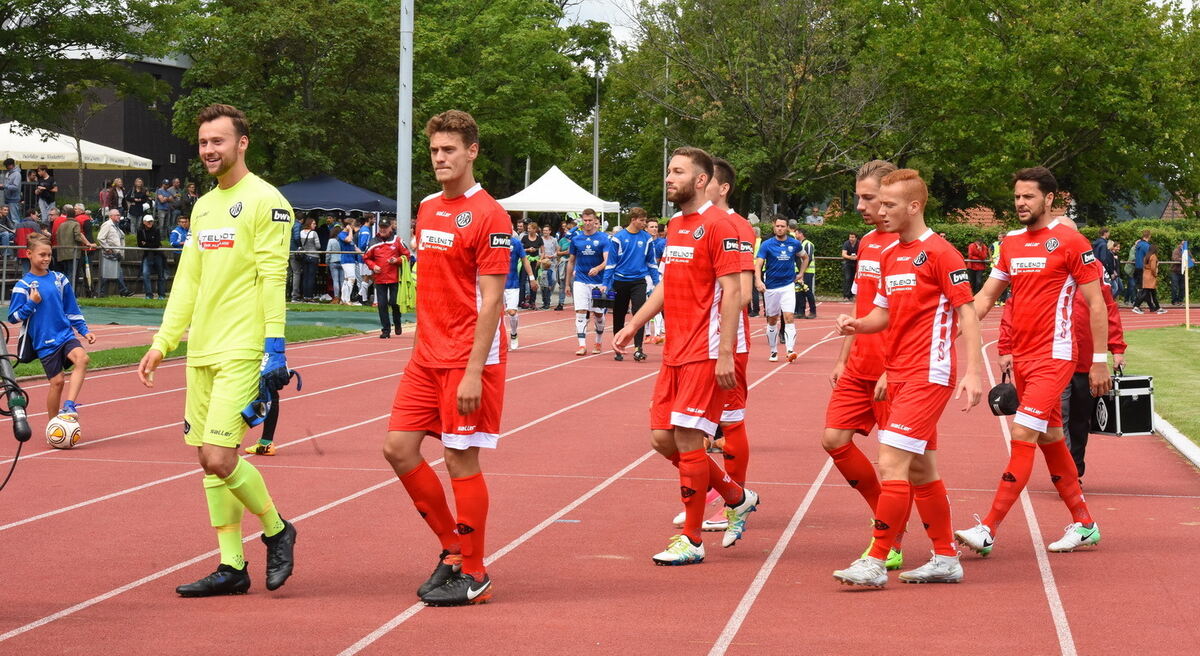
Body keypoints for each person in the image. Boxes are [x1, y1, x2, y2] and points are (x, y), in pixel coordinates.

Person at [137, 103, 298, 597]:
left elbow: (274, 277)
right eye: (204, 142)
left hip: (244, 348)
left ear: (241, 142)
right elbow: (187, 281)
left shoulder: (267, 201)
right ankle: (231, 565)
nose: (209, 150)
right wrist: (164, 341)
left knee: (219, 456)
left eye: (218, 141)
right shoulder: (204, 207)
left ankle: (277, 530)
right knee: (205, 460)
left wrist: (275, 343)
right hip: (202, 350)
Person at [380, 109, 510, 606]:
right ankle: (452, 549)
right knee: (398, 449)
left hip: (467, 358)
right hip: (426, 356)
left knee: (459, 458)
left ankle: (474, 572)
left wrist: (474, 371)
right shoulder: (429, 207)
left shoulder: (490, 214)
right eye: (434, 150)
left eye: (448, 149)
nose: (439, 158)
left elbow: (492, 300)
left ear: (471, 151)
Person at [831, 168, 982, 587]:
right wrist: (856, 325)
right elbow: (882, 313)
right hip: (897, 372)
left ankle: (877, 560)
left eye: (889, 204)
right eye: (879, 203)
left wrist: (972, 370)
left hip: (928, 374)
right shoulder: (889, 254)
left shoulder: (940, 253)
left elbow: (966, 310)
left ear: (914, 206)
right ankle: (947, 557)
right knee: (921, 471)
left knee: (891, 462)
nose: (880, 211)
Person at [611, 146, 759, 565]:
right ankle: (736, 495)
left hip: (705, 350)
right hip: (674, 348)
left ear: (700, 180)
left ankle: (691, 541)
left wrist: (726, 352)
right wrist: (634, 323)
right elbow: (665, 284)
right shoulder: (676, 225)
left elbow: (735, 292)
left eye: (676, 172)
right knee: (662, 439)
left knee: (691, 442)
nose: (668, 178)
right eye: (668, 171)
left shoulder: (722, 226)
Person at [955, 167, 1110, 556]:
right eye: (1017, 197)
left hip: (1055, 356)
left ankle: (987, 529)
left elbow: (1097, 304)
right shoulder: (1009, 243)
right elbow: (987, 297)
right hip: (1022, 358)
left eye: (1028, 196)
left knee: (1023, 436)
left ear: (1049, 199)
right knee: (1051, 439)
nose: (1021, 203)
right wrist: (953, 324)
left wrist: (1100, 360)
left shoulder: (1071, 241)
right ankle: (1085, 523)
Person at [822, 160, 906, 572]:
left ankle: (892, 539)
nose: (860, 205)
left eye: (868, 197)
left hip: (897, 369)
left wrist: (895, 369)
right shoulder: (869, 243)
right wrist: (843, 356)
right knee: (834, 438)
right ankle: (885, 516)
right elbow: (863, 307)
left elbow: (918, 318)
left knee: (904, 462)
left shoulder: (912, 247)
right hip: (859, 364)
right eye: (858, 196)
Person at [998, 234, 1125, 481]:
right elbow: (1014, 306)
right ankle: (1066, 475)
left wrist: (1116, 348)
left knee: (1080, 420)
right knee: (1060, 416)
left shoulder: (1095, 268)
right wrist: (1005, 346)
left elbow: (1108, 308)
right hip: (1053, 358)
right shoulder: (1038, 263)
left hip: (1085, 360)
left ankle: (1074, 469)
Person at [8, 233, 96, 419]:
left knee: (83, 359)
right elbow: (13, 317)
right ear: (29, 254)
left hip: (65, 334)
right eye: (42, 255)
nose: (47, 258)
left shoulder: (59, 279)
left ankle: (70, 405)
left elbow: (71, 308)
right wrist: (31, 303)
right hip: (44, 341)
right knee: (57, 382)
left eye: (49, 254)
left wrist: (84, 330)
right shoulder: (23, 285)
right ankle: (53, 424)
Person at [603, 207, 659, 362]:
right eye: (642, 220)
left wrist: (657, 283)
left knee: (639, 314)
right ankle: (618, 347)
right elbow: (611, 264)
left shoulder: (646, 238)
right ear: (633, 220)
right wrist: (605, 284)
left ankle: (638, 349)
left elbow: (651, 263)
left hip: (639, 281)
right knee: (619, 315)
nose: (644, 223)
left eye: (645, 220)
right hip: (620, 281)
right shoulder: (618, 238)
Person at [564, 208, 611, 356]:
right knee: (580, 312)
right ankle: (582, 345)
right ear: (582, 221)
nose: (588, 223)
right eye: (585, 220)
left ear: (595, 221)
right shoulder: (576, 239)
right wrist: (567, 283)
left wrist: (598, 268)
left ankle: (598, 341)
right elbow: (571, 262)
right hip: (580, 281)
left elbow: (608, 260)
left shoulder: (603, 238)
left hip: (598, 281)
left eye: (590, 220)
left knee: (598, 314)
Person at [756, 217, 802, 362]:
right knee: (772, 320)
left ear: (787, 227)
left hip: (788, 285)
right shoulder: (766, 244)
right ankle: (773, 351)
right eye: (777, 226)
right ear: (774, 227)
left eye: (782, 226)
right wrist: (758, 280)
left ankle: (790, 351)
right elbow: (758, 265)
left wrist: (801, 274)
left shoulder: (794, 243)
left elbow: (805, 257)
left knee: (789, 317)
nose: (780, 228)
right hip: (771, 287)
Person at [364, 219, 413, 337]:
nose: (383, 229)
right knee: (381, 304)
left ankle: (397, 322)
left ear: (390, 228)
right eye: (381, 227)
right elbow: (366, 257)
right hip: (380, 278)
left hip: (395, 278)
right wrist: (373, 266)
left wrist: (397, 260)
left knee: (394, 302)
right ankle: (385, 330)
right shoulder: (373, 242)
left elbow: (407, 255)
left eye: (385, 227)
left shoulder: (397, 240)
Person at [502, 236, 537, 349]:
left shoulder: (516, 243)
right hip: (497, 283)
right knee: (496, 314)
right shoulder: (492, 240)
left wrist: (531, 278)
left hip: (512, 283)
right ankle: (501, 340)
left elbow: (525, 260)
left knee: (512, 312)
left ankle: (513, 333)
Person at [55, 204, 97, 289]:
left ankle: (63, 291)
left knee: (65, 273)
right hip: (73, 253)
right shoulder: (75, 224)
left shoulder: (61, 225)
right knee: (72, 273)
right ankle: (70, 293)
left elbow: (56, 235)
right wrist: (87, 243)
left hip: (62, 253)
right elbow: (77, 236)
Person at [97, 209, 133, 297]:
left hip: (116, 253)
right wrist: (107, 248)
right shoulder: (107, 225)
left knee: (116, 272)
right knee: (106, 274)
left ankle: (122, 290)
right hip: (109, 254)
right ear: (111, 216)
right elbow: (100, 238)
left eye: (118, 215)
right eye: (117, 215)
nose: (119, 216)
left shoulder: (116, 226)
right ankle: (100, 291)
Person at [644, 219, 666, 343]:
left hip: (658, 276)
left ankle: (658, 333)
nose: (654, 229)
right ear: (646, 228)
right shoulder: (642, 241)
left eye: (656, 227)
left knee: (657, 305)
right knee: (645, 305)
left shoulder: (662, 243)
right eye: (651, 226)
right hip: (644, 276)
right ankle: (647, 334)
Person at [137, 215, 167, 299]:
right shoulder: (140, 230)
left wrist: (146, 243)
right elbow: (139, 243)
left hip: (157, 254)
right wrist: (150, 244)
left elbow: (157, 243)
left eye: (151, 221)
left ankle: (161, 294)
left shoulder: (156, 229)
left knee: (160, 275)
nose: (150, 223)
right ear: (144, 222)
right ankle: (149, 294)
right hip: (147, 255)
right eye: (148, 221)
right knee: (145, 273)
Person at [336, 217, 363, 305]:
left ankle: (343, 299)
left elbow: (354, 247)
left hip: (351, 260)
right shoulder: (342, 234)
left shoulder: (348, 234)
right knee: (352, 279)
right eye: (352, 225)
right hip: (346, 259)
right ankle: (347, 300)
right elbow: (349, 240)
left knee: (346, 280)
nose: (354, 227)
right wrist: (350, 231)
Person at [1132, 243, 1165, 314]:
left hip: (1145, 274)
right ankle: (1136, 306)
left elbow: (1144, 265)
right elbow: (1153, 267)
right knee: (1145, 292)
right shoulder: (1153, 256)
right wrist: (1155, 274)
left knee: (1153, 292)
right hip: (1150, 275)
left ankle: (1157, 307)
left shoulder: (1146, 256)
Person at [295, 216, 322, 303]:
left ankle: (304, 295)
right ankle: (309, 296)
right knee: (311, 277)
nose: (315, 225)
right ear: (310, 224)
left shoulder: (301, 232)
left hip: (304, 256)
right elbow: (318, 246)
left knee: (305, 277)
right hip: (313, 256)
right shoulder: (314, 233)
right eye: (313, 223)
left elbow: (301, 243)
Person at [519, 222, 543, 309]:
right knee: (522, 281)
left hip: (535, 262)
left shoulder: (539, 239)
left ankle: (532, 301)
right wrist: (528, 249)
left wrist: (540, 260)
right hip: (525, 260)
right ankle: (521, 301)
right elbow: (520, 249)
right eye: (528, 228)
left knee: (533, 281)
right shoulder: (525, 238)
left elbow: (543, 251)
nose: (528, 230)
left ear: (534, 229)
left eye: (530, 228)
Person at [794, 228, 817, 319]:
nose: (795, 235)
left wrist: (802, 272)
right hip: (799, 272)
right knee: (799, 291)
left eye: (796, 233)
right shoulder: (798, 244)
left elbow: (809, 258)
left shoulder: (808, 244)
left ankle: (813, 311)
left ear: (801, 234)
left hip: (807, 272)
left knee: (808, 291)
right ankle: (801, 312)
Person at [15, 207, 44, 274]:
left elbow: (16, 240)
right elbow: (40, 238)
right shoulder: (35, 225)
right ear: (31, 215)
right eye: (36, 215)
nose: (37, 217)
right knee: (34, 271)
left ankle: (25, 284)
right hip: (33, 251)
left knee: (25, 272)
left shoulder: (18, 225)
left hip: (21, 251)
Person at [538, 224, 558, 309]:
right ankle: (545, 300)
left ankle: (549, 296)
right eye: (544, 230)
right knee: (543, 283)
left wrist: (553, 255)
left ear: (550, 231)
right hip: (543, 263)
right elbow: (539, 251)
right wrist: (543, 256)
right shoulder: (540, 239)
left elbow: (557, 249)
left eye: (547, 230)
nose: (545, 232)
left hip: (552, 263)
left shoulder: (554, 240)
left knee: (553, 279)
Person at [1171, 239, 1192, 305]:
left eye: (1185, 244)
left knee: (1183, 287)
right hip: (1175, 271)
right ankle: (1174, 301)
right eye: (1183, 244)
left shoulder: (1187, 251)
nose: (1184, 245)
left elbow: (1191, 258)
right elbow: (1174, 258)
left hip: (1184, 272)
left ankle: (1180, 301)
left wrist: (1192, 259)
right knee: (1175, 287)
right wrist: (1183, 259)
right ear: (1180, 244)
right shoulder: (1176, 250)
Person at [554, 224, 571, 310]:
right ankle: (560, 303)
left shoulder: (575, 240)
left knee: (573, 283)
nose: (565, 231)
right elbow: (558, 252)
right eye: (565, 230)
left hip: (573, 263)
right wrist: (565, 252)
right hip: (564, 262)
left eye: (567, 229)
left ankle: (577, 304)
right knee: (562, 283)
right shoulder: (562, 240)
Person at [840, 232, 858, 300]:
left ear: (856, 238)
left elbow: (862, 253)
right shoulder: (846, 243)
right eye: (850, 237)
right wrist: (850, 257)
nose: (851, 239)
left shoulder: (859, 243)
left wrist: (857, 257)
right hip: (848, 263)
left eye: (853, 237)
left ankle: (853, 295)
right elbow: (843, 254)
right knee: (847, 278)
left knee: (855, 279)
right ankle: (846, 296)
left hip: (857, 263)